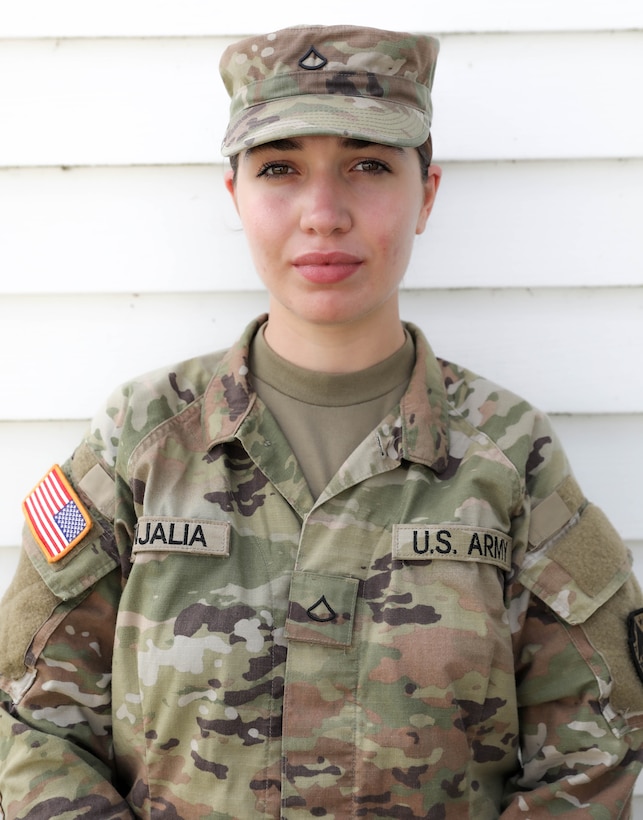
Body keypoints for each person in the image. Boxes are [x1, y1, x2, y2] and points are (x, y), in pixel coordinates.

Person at [1, 24, 642, 819]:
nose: (323, 212)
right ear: (235, 195)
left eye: (368, 165)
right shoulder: (142, 440)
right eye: (280, 169)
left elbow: (595, 738)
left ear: (427, 194)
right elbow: (32, 720)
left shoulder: (509, 454)